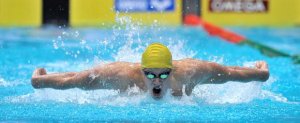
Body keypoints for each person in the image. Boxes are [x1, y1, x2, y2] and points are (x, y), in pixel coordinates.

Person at [31, 43, 269, 99]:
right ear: (141, 70)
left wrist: (260, 73)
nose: (157, 81)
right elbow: (75, 79)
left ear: (172, 69)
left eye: (163, 74)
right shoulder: (121, 75)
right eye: (151, 74)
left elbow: (229, 73)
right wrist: (40, 80)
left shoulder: (190, 73)